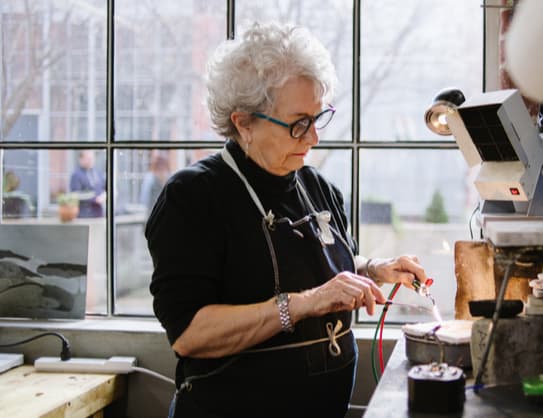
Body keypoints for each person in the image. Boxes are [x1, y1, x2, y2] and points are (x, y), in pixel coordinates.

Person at [145, 22, 429, 418]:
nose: (313, 138)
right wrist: (304, 304)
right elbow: (190, 334)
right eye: (298, 124)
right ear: (244, 122)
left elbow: (324, 262)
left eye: (318, 118)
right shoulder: (193, 197)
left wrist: (376, 269)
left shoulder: (316, 186)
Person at [69, 150, 106, 218]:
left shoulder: (97, 173)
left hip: (99, 213)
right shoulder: (76, 175)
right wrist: (94, 198)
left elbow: (105, 188)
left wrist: (104, 195)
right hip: (84, 215)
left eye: (92, 158)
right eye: (88, 158)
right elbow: (75, 194)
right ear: (81, 159)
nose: (91, 161)